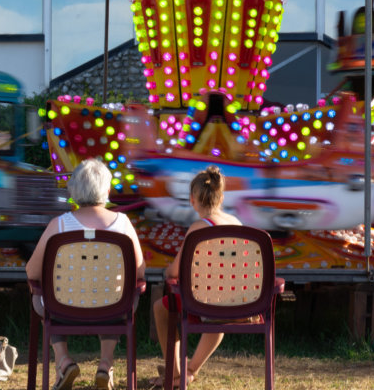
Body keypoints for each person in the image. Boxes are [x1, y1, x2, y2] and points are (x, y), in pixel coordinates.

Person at [25, 158, 146, 390]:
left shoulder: (58, 226)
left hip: (63, 309)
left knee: (39, 298)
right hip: (114, 308)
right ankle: (105, 364)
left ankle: (64, 361)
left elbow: (32, 271)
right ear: (107, 190)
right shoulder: (123, 224)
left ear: (73, 190)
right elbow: (140, 271)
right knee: (118, 295)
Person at [150, 165, 241, 389]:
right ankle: (190, 371)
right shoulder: (237, 224)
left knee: (161, 308)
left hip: (203, 300)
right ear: (221, 197)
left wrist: (166, 273)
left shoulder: (198, 228)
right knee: (218, 311)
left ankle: (175, 374)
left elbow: (174, 272)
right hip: (238, 301)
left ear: (192, 200)